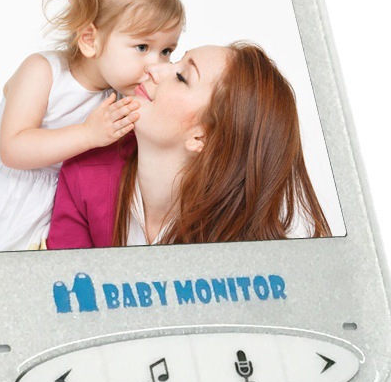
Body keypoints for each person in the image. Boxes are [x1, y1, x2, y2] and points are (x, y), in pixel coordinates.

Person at [0, 0, 184, 251]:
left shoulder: (124, 95)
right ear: (90, 40)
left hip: (52, 207)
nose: (157, 65)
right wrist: (88, 134)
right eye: (142, 47)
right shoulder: (43, 72)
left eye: (166, 51)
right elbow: (11, 149)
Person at [48, 41, 332, 249]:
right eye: (175, 62)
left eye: (182, 77)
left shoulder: (248, 256)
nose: (153, 69)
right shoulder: (81, 172)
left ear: (202, 137)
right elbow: (61, 296)